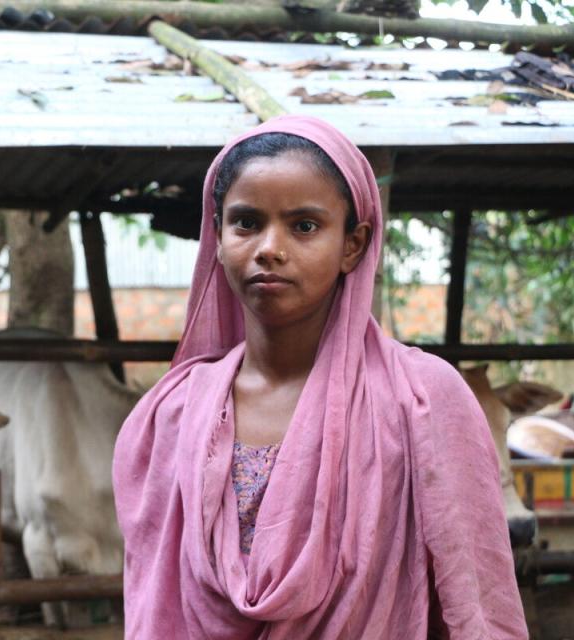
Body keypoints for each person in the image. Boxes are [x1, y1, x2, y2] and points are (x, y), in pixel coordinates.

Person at [112, 116, 526, 639]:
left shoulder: (422, 399)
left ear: (353, 245)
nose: (270, 247)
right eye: (246, 223)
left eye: (304, 226)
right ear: (215, 237)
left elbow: (474, 601)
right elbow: (154, 600)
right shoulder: (169, 413)